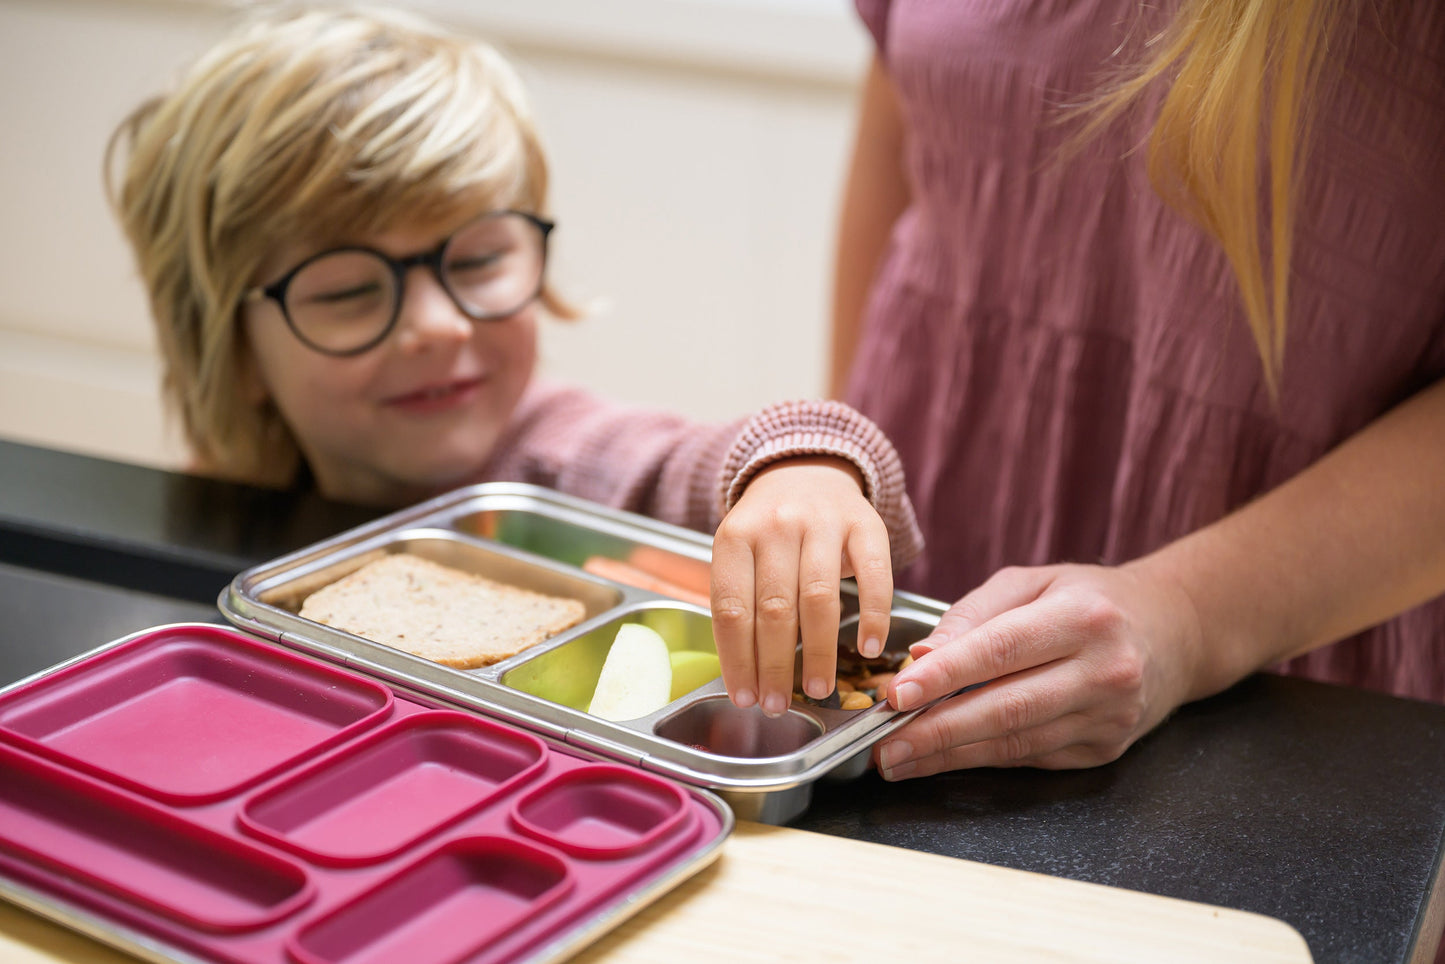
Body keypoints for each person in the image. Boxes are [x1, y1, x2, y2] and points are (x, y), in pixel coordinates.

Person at [104, 3, 923, 719]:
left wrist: (803, 468)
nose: (435, 326)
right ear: (232, 350)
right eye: (350, 290)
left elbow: (704, 464)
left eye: (475, 261)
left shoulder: (564, 458)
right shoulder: (220, 497)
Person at [828, 1, 1445, 780]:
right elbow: (903, 130)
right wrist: (845, 463)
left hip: (1286, 658)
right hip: (937, 545)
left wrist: (1185, 615)